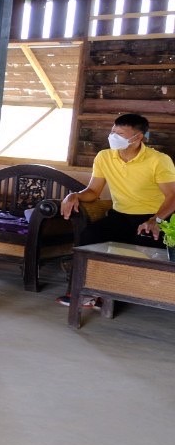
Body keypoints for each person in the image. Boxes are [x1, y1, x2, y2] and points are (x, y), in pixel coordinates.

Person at [58, 113, 175, 306]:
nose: (113, 137)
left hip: (151, 218)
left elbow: (172, 196)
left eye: (120, 134)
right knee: (90, 236)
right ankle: (82, 293)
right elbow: (93, 191)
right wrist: (75, 195)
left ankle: (117, 297)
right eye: (113, 131)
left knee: (142, 244)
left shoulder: (159, 160)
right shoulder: (104, 157)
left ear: (137, 138)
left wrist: (157, 220)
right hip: (119, 215)